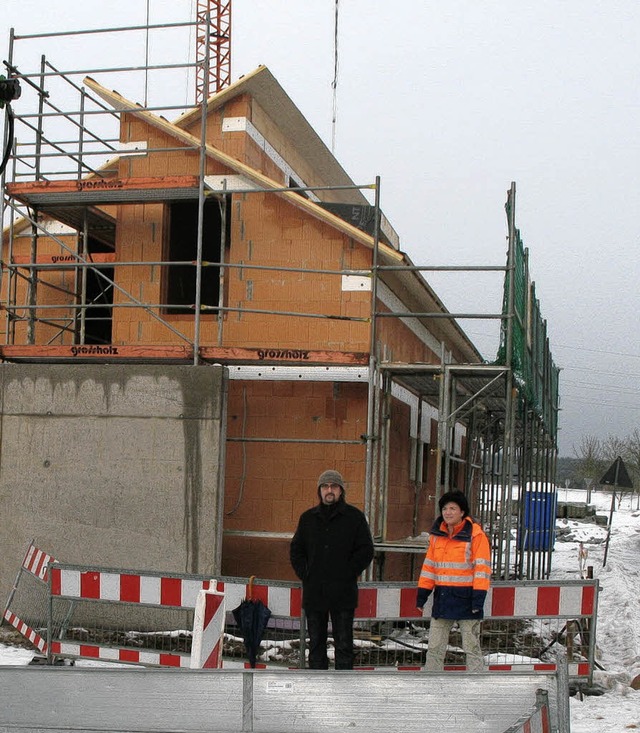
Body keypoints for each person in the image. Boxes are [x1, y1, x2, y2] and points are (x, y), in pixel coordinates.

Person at [290, 469, 374, 670]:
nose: (329, 490)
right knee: (316, 644)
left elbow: (366, 550)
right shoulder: (307, 519)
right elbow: (296, 550)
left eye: (334, 486)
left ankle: (343, 689)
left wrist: (348, 572)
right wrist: (306, 573)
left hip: (343, 593)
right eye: (325, 486)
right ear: (319, 491)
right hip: (315, 591)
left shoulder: (354, 518)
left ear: (341, 491)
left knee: (344, 644)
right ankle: (316, 688)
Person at [416, 490, 491, 672]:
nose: (448, 512)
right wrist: (422, 595)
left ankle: (475, 686)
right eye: (444, 508)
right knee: (434, 647)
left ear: (462, 512)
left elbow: (482, 570)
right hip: (443, 599)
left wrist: (478, 600)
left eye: (452, 508)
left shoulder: (476, 535)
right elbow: (429, 568)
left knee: (471, 648)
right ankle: (432, 684)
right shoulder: (436, 536)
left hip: (468, 600)